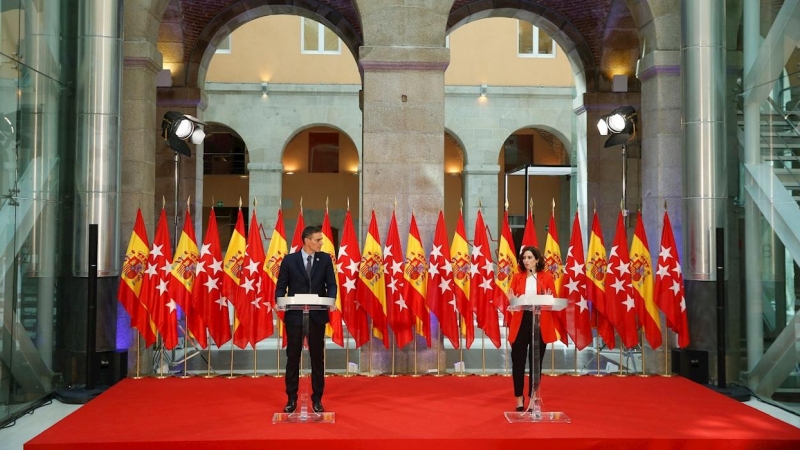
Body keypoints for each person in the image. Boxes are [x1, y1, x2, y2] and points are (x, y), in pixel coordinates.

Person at [275, 225, 337, 414]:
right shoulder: (289, 260)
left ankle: (317, 399)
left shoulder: (325, 259)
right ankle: (291, 399)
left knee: (317, 358)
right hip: (295, 316)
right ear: (307, 241)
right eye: (318, 240)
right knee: (292, 358)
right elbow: (281, 286)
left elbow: (331, 285)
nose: (321, 243)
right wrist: (279, 301)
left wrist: (331, 300)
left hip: (317, 316)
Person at [508, 246, 556, 412]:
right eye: (524, 258)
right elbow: (511, 299)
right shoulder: (517, 277)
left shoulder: (546, 277)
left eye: (529, 257)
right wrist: (512, 302)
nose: (526, 260)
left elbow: (552, 300)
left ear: (537, 259)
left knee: (536, 362)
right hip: (521, 321)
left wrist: (549, 299)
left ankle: (533, 397)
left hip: (539, 322)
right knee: (518, 361)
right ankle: (519, 399)